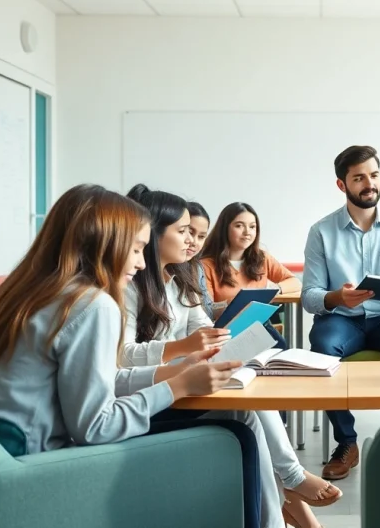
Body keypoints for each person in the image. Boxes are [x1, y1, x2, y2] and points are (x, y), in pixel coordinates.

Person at [0, 185, 263, 528]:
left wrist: (171, 375)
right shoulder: (90, 304)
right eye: (138, 249)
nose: (143, 262)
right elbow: (96, 428)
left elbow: (91, 383)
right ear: (105, 243)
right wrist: (178, 387)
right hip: (33, 473)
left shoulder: (16, 295)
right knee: (237, 437)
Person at [121, 185, 340, 528]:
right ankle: (291, 484)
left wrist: (229, 341)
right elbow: (123, 356)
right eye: (183, 231)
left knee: (250, 383)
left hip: (183, 374)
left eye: (196, 233)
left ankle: (285, 499)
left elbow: (204, 328)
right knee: (247, 410)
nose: (191, 240)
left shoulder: (180, 280)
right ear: (152, 235)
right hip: (159, 389)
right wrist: (186, 348)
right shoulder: (130, 287)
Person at [302, 145, 380, 480]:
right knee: (322, 350)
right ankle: (347, 442)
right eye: (358, 178)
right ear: (342, 185)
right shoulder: (321, 231)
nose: (368, 183)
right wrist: (336, 298)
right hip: (340, 320)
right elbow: (309, 296)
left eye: (373, 175)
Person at [200, 202, 298, 350]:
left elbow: (295, 282)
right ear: (225, 228)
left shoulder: (261, 258)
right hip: (226, 331)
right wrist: (232, 304)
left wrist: (275, 288)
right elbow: (207, 310)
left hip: (258, 325)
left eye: (252, 227)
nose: (247, 232)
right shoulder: (206, 265)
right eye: (239, 226)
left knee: (282, 353)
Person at [185, 201, 215, 318]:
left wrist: (228, 305)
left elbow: (207, 307)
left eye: (201, 237)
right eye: (189, 232)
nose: (194, 242)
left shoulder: (197, 267)